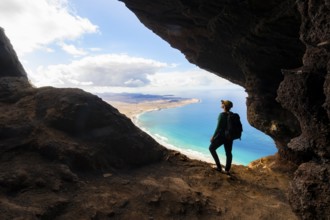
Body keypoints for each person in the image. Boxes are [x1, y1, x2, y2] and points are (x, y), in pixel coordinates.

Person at [209, 100, 234, 175]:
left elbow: (218, 127)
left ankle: (219, 167)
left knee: (211, 148)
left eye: (222, 103)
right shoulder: (232, 114)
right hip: (230, 137)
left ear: (224, 106)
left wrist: (213, 137)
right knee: (228, 153)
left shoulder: (222, 115)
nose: (221, 104)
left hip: (222, 136)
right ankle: (227, 170)